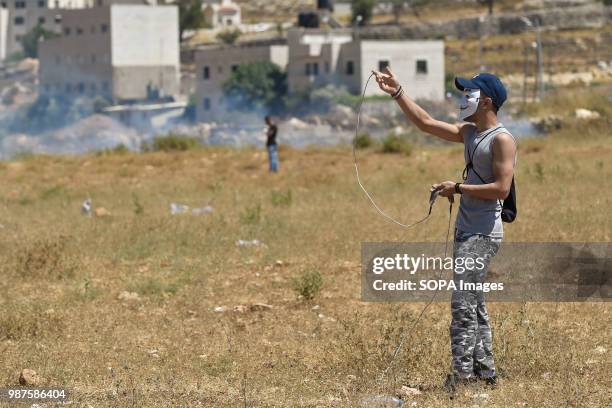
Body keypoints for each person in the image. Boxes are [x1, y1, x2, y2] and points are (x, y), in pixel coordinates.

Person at [372, 67, 517, 393]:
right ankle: (486, 373)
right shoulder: (469, 133)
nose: (463, 97)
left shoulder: (502, 140)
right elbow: (425, 123)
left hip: (483, 234)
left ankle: (462, 378)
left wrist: (458, 188)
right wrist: (398, 92)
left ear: (487, 101)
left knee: (462, 304)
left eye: (469, 93)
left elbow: (501, 189)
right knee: (474, 302)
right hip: (467, 231)